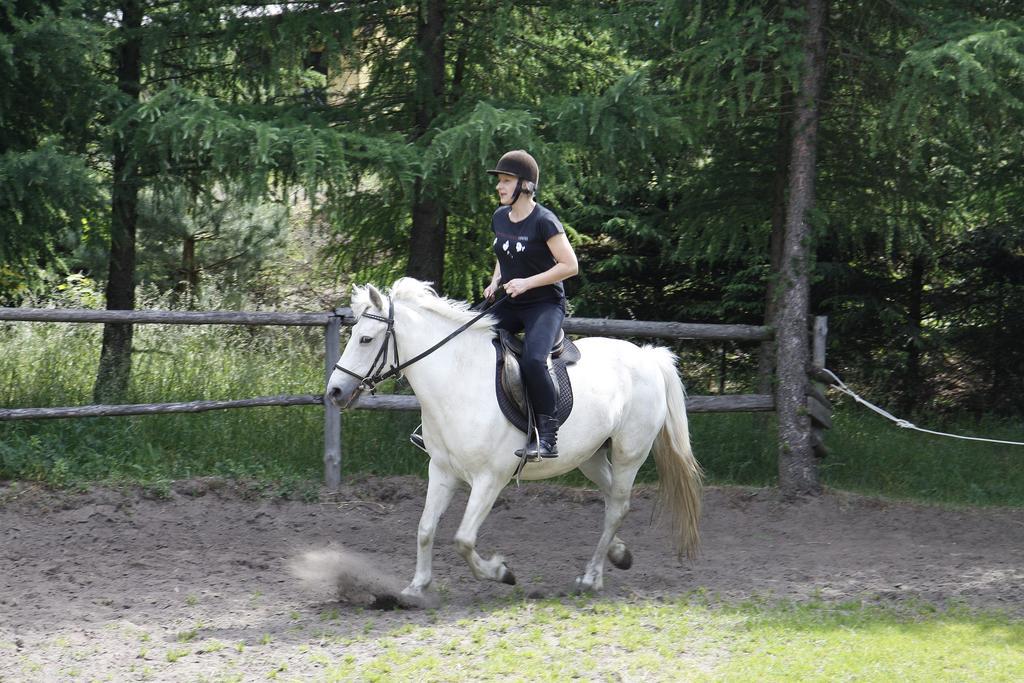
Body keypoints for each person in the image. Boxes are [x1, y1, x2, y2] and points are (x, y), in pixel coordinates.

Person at [483, 150, 579, 459]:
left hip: (544, 304)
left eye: (506, 181)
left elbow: (570, 265)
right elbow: (504, 253)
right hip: (512, 301)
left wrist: (527, 282)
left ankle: (547, 437)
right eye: (499, 181)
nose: (499, 187)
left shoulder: (544, 221)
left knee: (534, 361)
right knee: (466, 336)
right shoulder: (500, 217)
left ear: (525, 185)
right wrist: (496, 280)